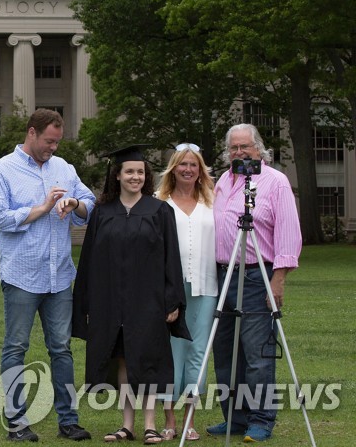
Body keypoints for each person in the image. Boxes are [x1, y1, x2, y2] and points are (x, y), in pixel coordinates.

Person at [0, 108, 94, 443]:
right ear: (32, 133)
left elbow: (90, 204)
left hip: (59, 275)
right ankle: (16, 422)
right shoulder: (3, 169)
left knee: (61, 348)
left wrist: (74, 203)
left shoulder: (64, 168)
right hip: (21, 274)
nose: (54, 148)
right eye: (49, 141)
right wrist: (42, 209)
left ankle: (68, 421)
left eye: (58, 142)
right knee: (15, 347)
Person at [72, 145, 189, 445]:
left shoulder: (159, 210)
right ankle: (127, 425)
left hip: (148, 299)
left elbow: (171, 259)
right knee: (122, 359)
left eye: (140, 172)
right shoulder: (102, 213)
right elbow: (88, 261)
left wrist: (173, 298)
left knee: (147, 358)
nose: (135, 177)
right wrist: (85, 301)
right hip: (110, 300)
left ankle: (150, 424)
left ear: (145, 176)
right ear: (118, 175)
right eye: (129, 172)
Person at [208, 124, 302, 443]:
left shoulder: (275, 181)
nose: (239, 153)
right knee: (225, 353)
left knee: (256, 353)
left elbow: (288, 232)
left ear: (259, 149)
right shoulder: (223, 181)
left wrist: (278, 280)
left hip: (255, 274)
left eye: (245, 147)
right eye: (233, 148)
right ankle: (234, 418)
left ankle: (261, 419)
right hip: (222, 275)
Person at [156, 143, 217, 442]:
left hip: (206, 287)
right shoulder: (159, 202)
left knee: (198, 352)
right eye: (183, 164)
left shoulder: (212, 202)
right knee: (172, 352)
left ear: (200, 169)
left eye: (194, 165)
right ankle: (169, 419)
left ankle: (190, 420)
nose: (188, 169)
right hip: (171, 290)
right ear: (174, 168)